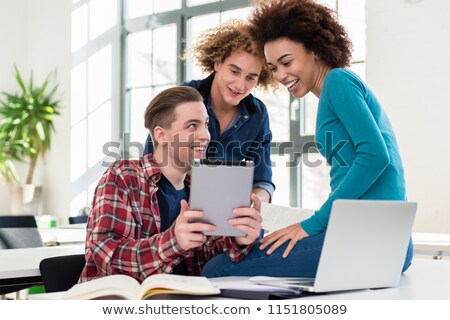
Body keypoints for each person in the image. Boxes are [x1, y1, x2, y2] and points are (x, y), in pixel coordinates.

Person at [201, 0, 413, 277]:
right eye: (273, 67)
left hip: (375, 236)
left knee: (217, 269)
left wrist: (311, 225)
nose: (280, 75)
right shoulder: (332, 92)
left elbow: (375, 156)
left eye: (286, 62)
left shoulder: (338, 81)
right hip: (378, 235)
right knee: (236, 256)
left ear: (314, 50)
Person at [80, 86, 262, 282]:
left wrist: (238, 239)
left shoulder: (200, 186)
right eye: (192, 125)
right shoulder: (123, 176)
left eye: (206, 124)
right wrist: (173, 242)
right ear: (161, 135)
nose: (205, 135)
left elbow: (203, 258)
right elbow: (105, 255)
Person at [143, 20, 278, 203]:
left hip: (230, 213)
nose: (240, 85)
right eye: (234, 71)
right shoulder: (186, 97)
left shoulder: (257, 114)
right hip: (174, 207)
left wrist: (252, 202)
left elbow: (263, 181)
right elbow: (150, 166)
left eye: (250, 78)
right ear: (217, 62)